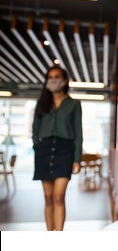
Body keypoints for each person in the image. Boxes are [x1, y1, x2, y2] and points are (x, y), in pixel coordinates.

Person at [32, 66, 83, 231]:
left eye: (56, 77)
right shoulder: (42, 104)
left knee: (59, 196)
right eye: (50, 77)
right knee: (48, 198)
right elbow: (35, 129)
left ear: (64, 81)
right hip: (44, 151)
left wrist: (77, 159)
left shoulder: (74, 104)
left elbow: (78, 132)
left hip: (65, 151)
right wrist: (37, 147)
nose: (53, 80)